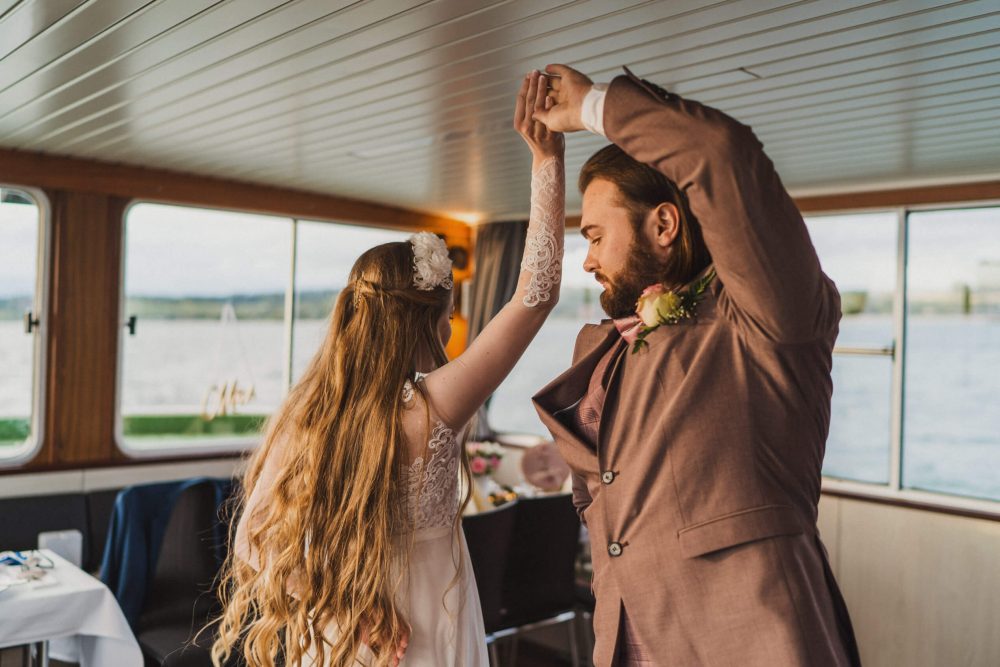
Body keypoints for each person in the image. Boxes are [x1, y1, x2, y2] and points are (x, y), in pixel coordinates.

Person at [210, 70, 565, 667]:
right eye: (450, 315)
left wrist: (345, 603)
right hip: (427, 623)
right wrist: (546, 160)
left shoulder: (308, 415)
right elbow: (538, 291)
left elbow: (253, 543)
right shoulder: (436, 405)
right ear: (430, 319)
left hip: (340, 638)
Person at [531, 64, 861, 666]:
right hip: (623, 641)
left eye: (596, 236)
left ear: (663, 223)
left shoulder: (769, 319)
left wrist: (591, 108)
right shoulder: (603, 348)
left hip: (749, 641)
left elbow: (721, 153)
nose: (587, 261)